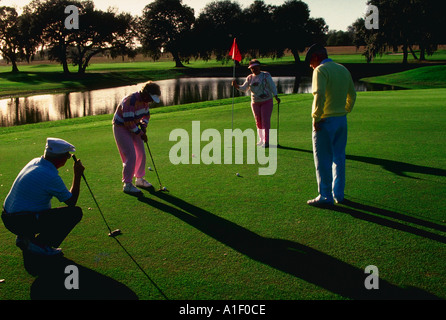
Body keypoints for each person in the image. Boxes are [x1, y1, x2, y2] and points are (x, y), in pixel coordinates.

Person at [2, 138, 85, 256]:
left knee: (40, 209)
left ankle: (24, 237)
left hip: (8, 217)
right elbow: (71, 202)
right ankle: (39, 244)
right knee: (74, 213)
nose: (68, 158)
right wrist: (77, 175)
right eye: (67, 156)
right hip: (20, 221)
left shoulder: (35, 161)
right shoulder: (50, 175)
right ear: (60, 158)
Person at [305, 44, 356, 206]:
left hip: (325, 120)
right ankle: (338, 194)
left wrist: (316, 117)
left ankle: (325, 196)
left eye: (310, 60)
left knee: (322, 159)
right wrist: (345, 110)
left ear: (316, 57)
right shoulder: (343, 69)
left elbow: (319, 95)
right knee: (339, 157)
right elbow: (352, 95)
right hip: (341, 119)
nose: (310, 65)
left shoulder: (320, 70)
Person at [112, 81, 161, 194]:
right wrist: (141, 133)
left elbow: (146, 115)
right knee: (131, 155)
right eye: (151, 98)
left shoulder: (145, 102)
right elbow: (128, 123)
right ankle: (127, 184)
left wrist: (143, 125)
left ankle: (139, 179)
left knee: (141, 153)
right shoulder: (130, 101)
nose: (151, 101)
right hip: (121, 127)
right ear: (145, 94)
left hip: (134, 126)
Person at [232, 59, 281, 148]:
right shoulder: (250, 77)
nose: (253, 69)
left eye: (255, 67)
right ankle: (261, 139)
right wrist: (237, 86)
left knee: (265, 121)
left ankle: (266, 141)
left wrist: (276, 96)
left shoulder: (266, 75)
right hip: (255, 102)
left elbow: (272, 86)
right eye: (252, 68)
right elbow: (244, 88)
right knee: (258, 122)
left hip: (267, 101)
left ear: (259, 67)